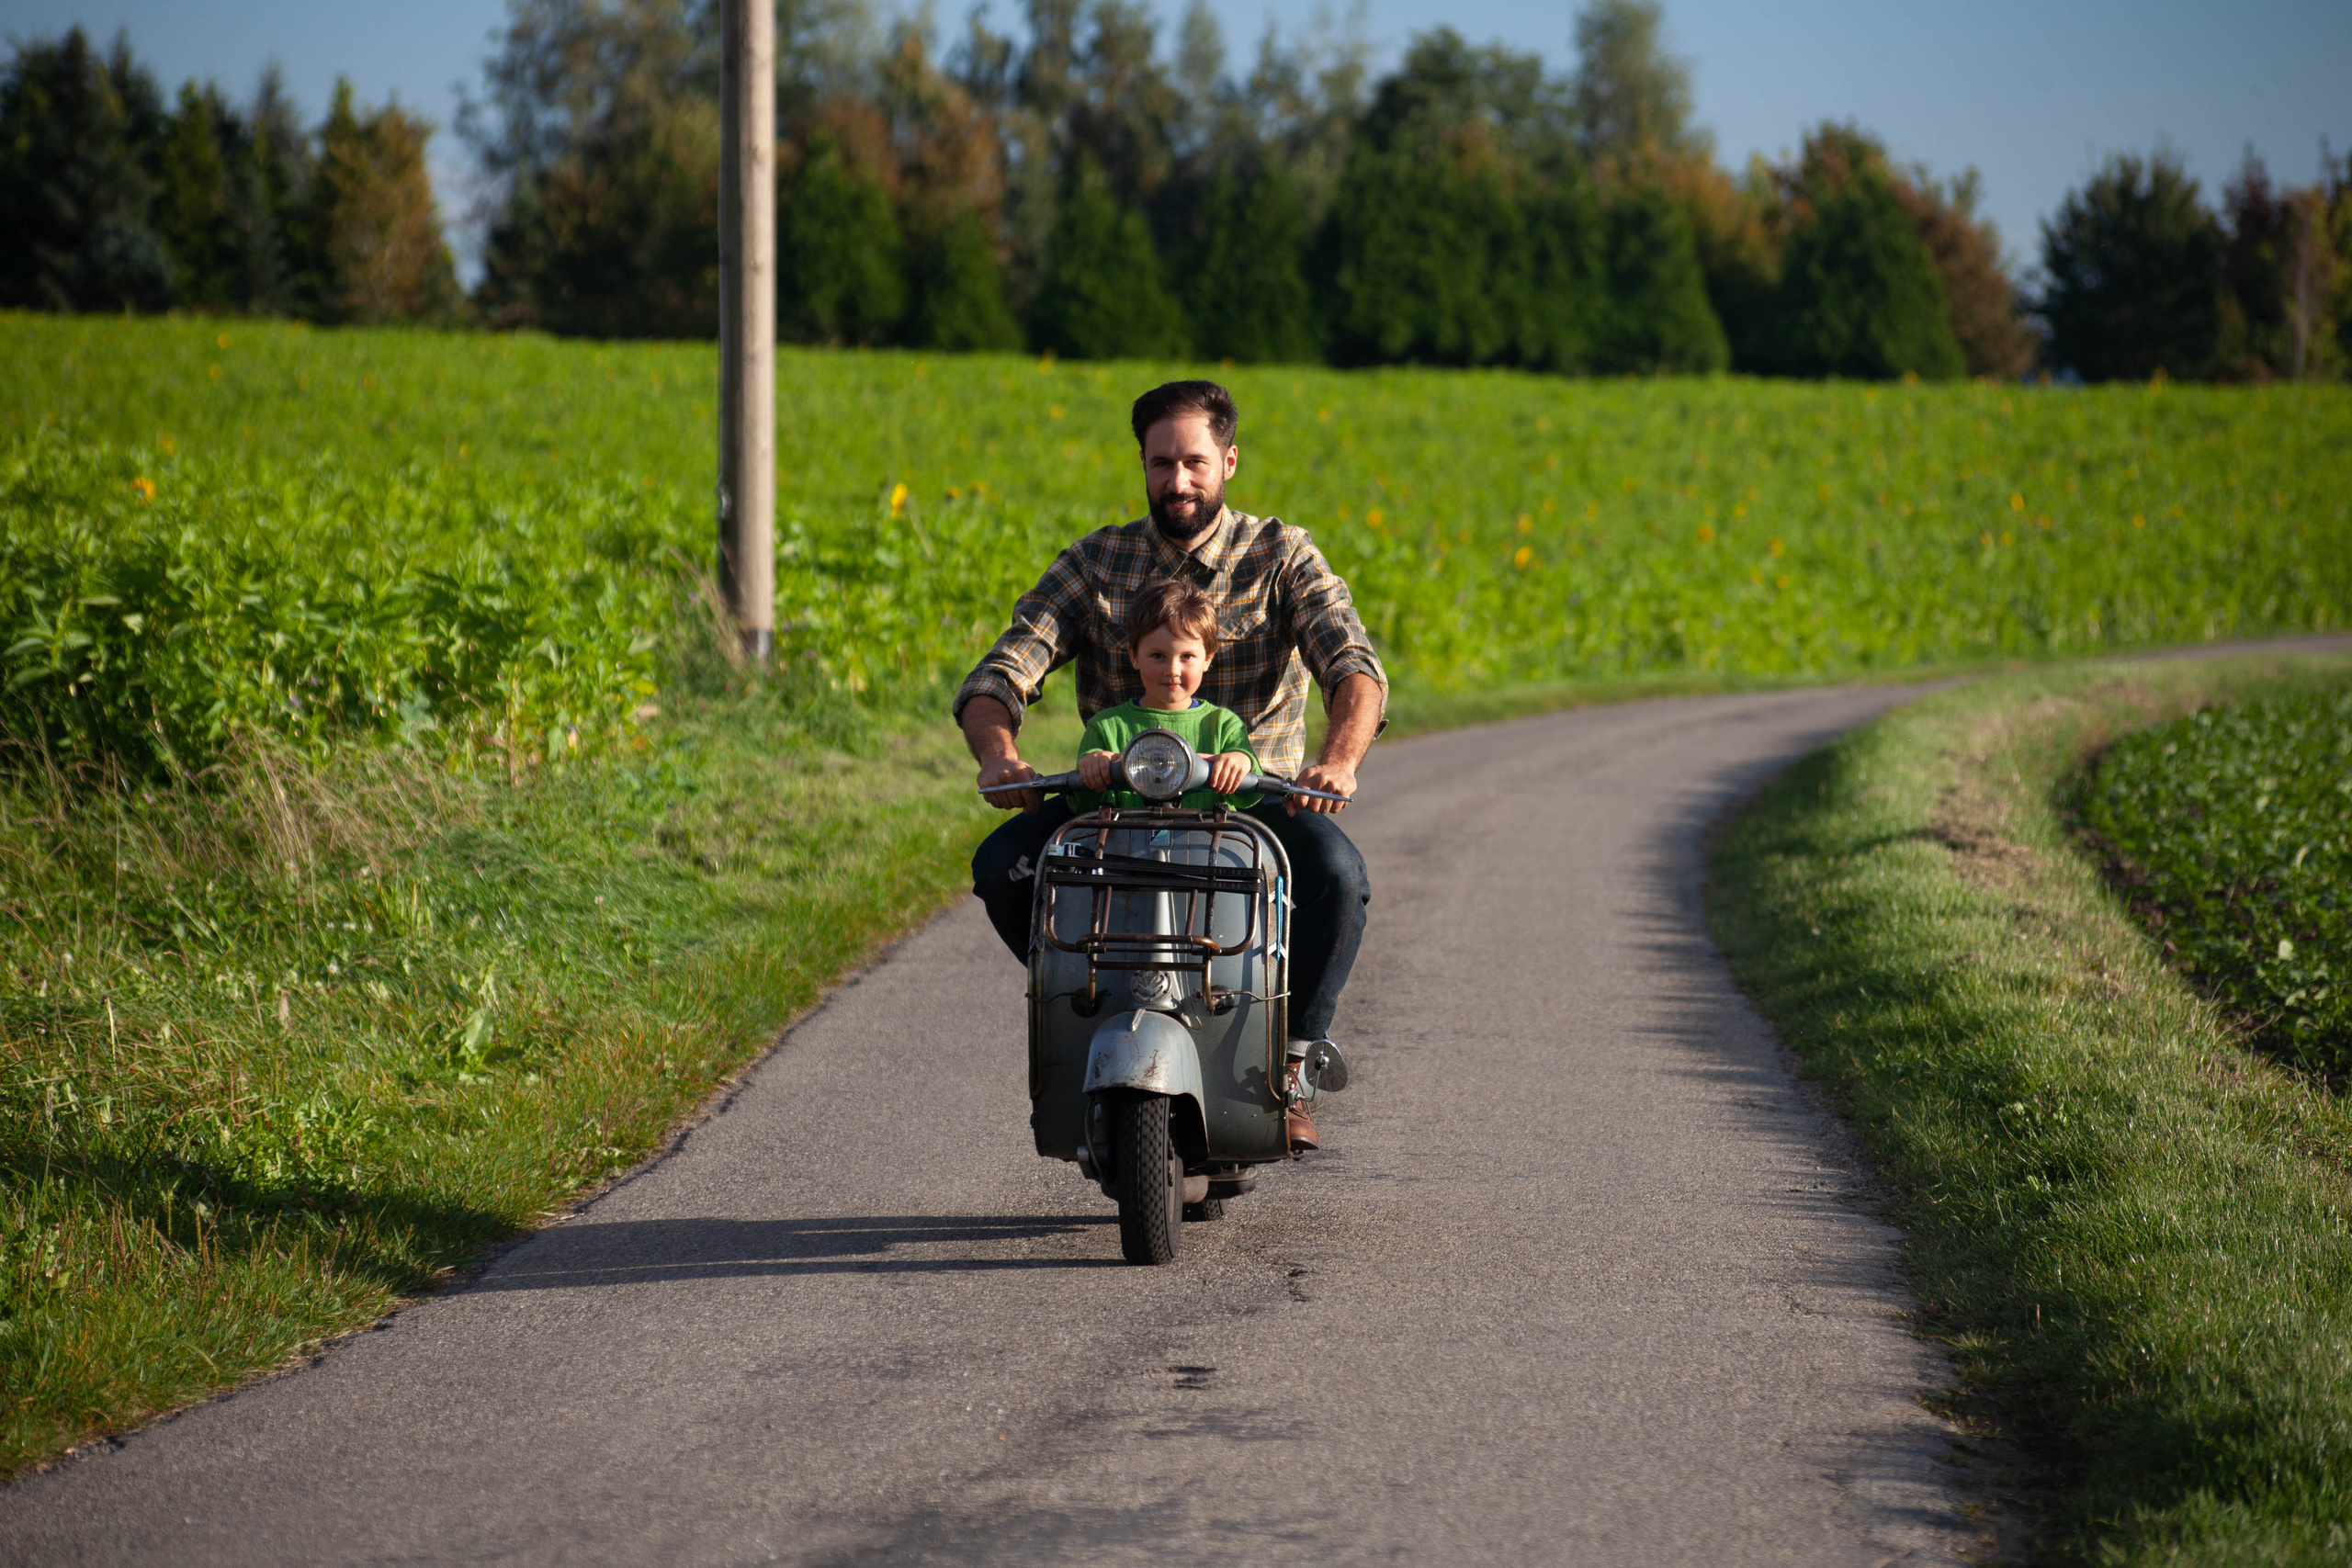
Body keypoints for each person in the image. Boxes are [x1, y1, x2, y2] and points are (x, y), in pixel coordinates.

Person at [956, 378, 1385, 1148]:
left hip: (1251, 799)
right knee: (1001, 865)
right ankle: (1082, 1011)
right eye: (1161, 464)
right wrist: (1001, 755)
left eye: (1194, 462)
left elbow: (1352, 664)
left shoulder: (1280, 555)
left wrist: (1337, 762)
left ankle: (1290, 1060)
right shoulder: (1096, 562)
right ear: (1143, 464)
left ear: (1228, 461)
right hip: (1113, 801)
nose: (1177, 481)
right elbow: (1000, 673)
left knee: (1340, 879)